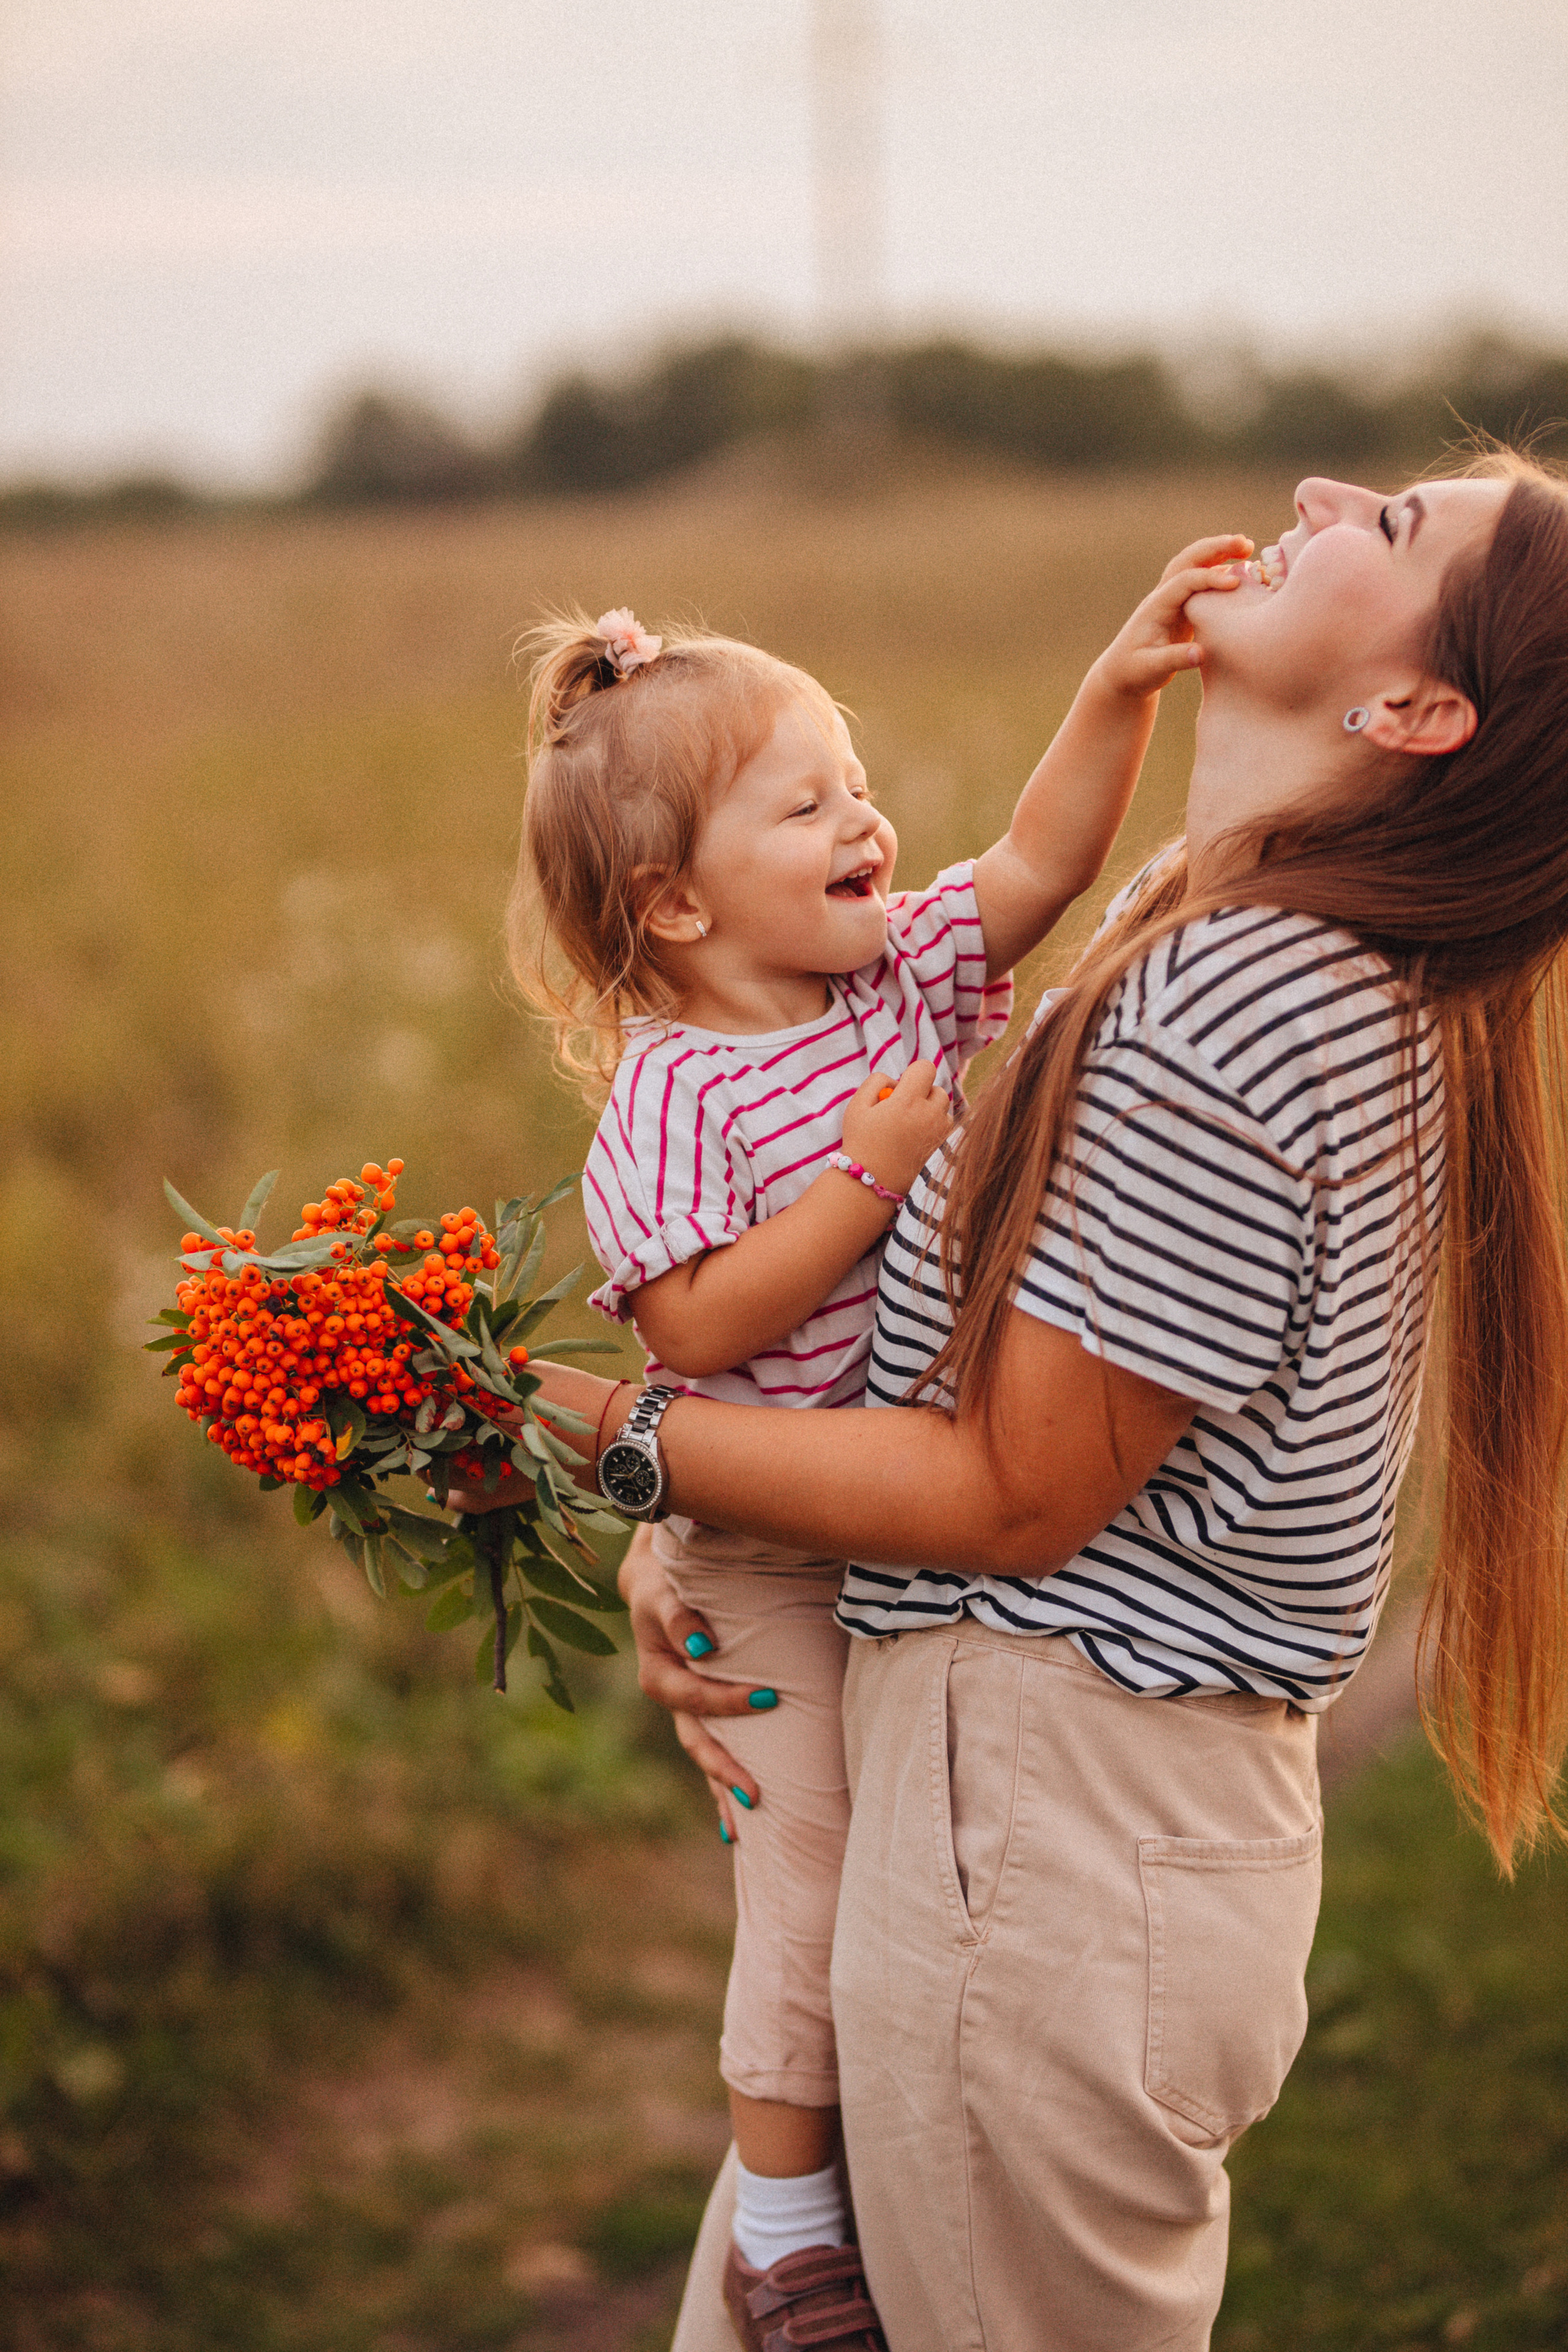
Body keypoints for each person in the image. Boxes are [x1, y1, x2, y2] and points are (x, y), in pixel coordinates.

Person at [462, 455, 1568, 2350]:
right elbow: (961, 1360)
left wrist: (620, 1439)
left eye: (1393, 527)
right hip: (1011, 1802)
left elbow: (1012, 1495)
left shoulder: (1237, 996)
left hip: (1049, 1827)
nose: (1323, 485)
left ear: (1417, 710)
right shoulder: (1211, 919)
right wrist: (707, 1545)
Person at [506, 562, 1245, 2348]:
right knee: (815, 1873)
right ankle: (782, 2223)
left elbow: (1036, 866)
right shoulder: (676, 1090)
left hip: (891, 1518)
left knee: (904, 1888)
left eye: (859, 782)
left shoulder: (889, 973)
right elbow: (686, 1336)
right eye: (812, 803)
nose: (870, 822)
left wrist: (1119, 688)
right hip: (766, 1544)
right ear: (676, 903)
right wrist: (868, 1173)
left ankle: (877, 2175)